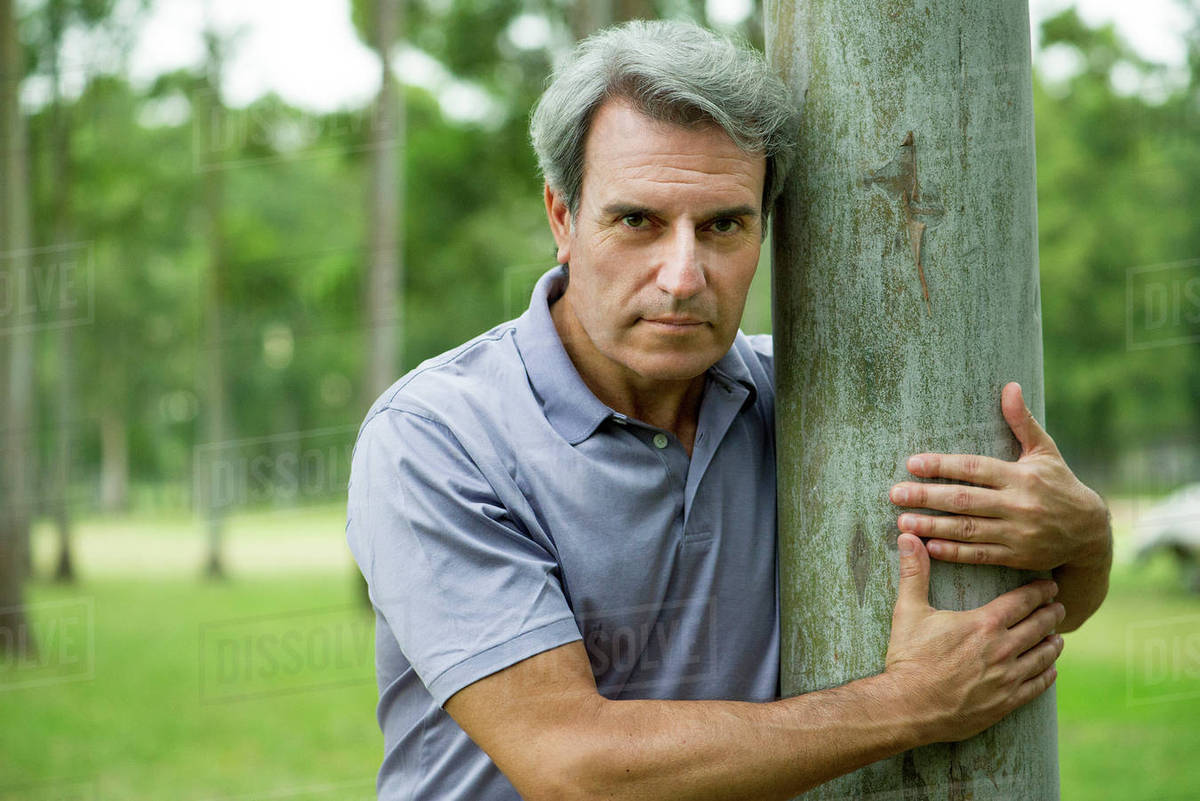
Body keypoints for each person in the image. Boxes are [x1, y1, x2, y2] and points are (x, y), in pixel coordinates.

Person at [346, 19, 1113, 801]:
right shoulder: (436, 438)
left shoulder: (821, 410)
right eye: (637, 219)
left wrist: (1082, 538)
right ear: (561, 217)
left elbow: (1006, 639)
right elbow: (574, 765)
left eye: (723, 225)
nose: (683, 276)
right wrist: (906, 703)